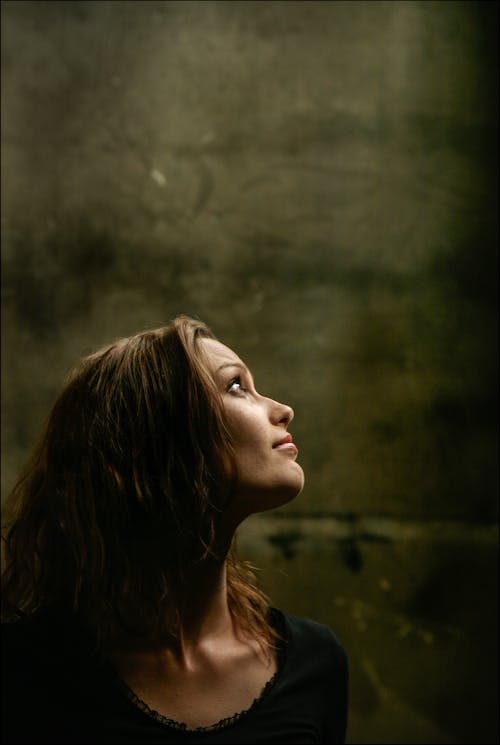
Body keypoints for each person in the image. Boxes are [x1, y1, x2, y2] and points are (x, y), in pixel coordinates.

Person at [1, 315, 348, 744]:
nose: (283, 410)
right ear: (158, 435)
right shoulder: (25, 672)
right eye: (237, 386)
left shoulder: (316, 662)